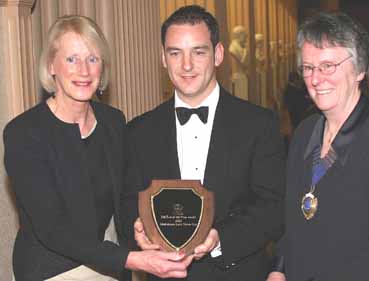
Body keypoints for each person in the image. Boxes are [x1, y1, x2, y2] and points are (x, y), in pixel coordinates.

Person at [3, 15, 192, 281]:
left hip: (110, 261)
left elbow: (127, 197)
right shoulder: (24, 133)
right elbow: (52, 229)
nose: (84, 70)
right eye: (72, 59)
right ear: (51, 66)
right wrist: (132, 259)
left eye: (92, 59)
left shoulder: (112, 121)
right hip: (52, 268)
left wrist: (140, 231)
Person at [121, 5, 286, 281]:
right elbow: (127, 201)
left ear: (218, 54)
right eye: (176, 53)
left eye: (198, 52)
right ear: (163, 58)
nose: (186, 65)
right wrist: (138, 228)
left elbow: (274, 207)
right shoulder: (139, 131)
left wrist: (219, 240)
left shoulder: (259, 124)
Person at [267, 12, 369, 281]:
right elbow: (291, 221)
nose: (316, 79)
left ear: (360, 69)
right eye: (308, 67)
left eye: (328, 66)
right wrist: (278, 269)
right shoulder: (304, 132)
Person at [229, 25, 249, 100]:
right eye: (244, 34)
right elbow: (243, 63)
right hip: (238, 76)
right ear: (238, 35)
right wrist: (246, 52)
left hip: (242, 76)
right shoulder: (233, 47)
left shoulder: (240, 47)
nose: (246, 37)